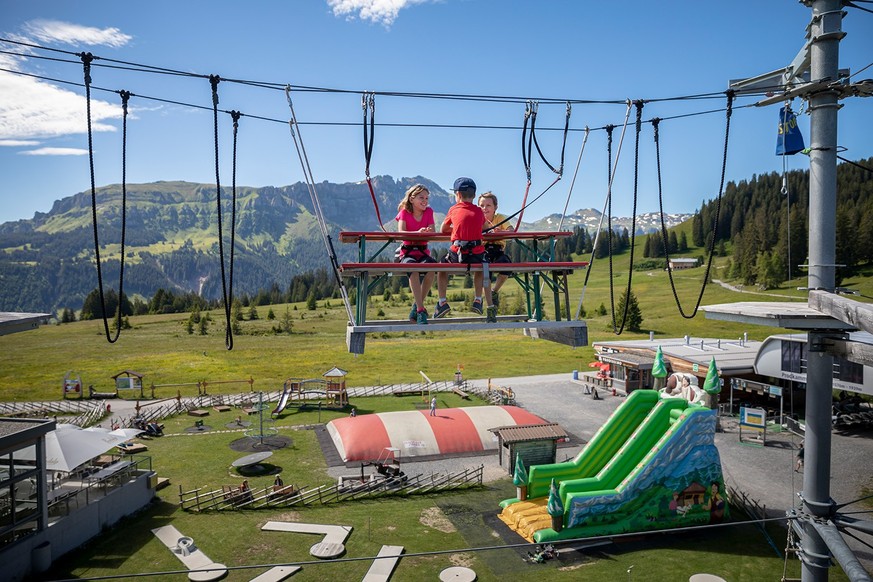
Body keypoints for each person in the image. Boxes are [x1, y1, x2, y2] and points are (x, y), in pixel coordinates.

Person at [434, 177, 497, 323]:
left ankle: (442, 302)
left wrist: (457, 228)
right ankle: (478, 299)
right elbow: (486, 229)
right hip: (476, 255)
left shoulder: (453, 209)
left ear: (457, 195)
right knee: (481, 267)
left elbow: (443, 229)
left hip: (458, 254)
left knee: (441, 266)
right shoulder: (479, 211)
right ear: (474, 196)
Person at [395, 183, 436, 324]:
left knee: (432, 269)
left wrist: (426, 232)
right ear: (412, 199)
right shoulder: (404, 213)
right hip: (408, 253)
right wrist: (417, 233)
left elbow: (432, 231)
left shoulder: (429, 212)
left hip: (423, 251)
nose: (425, 201)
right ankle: (420, 310)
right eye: (421, 198)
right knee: (414, 271)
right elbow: (401, 233)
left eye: (426, 198)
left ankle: (416, 306)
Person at [478, 191, 513, 309]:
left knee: (506, 267)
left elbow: (511, 230)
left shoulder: (500, 218)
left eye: (488, 205)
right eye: (482, 206)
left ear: (495, 207)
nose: (484, 208)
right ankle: (488, 301)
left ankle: (494, 290)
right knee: (485, 272)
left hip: (498, 250)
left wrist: (501, 232)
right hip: (484, 250)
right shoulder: (478, 220)